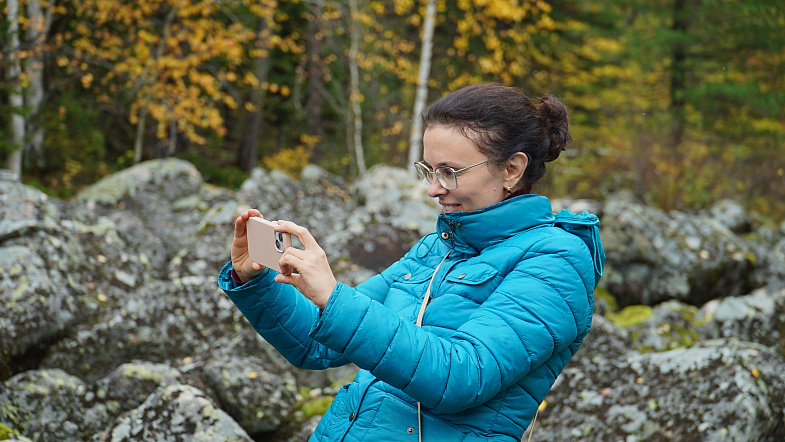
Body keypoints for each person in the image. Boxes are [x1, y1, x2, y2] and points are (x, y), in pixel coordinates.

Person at [218, 83, 605, 441]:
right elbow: (315, 346)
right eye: (429, 170)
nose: (434, 189)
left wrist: (334, 296)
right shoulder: (434, 248)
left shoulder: (557, 261)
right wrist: (255, 281)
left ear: (512, 169)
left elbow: (459, 376)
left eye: (450, 172)